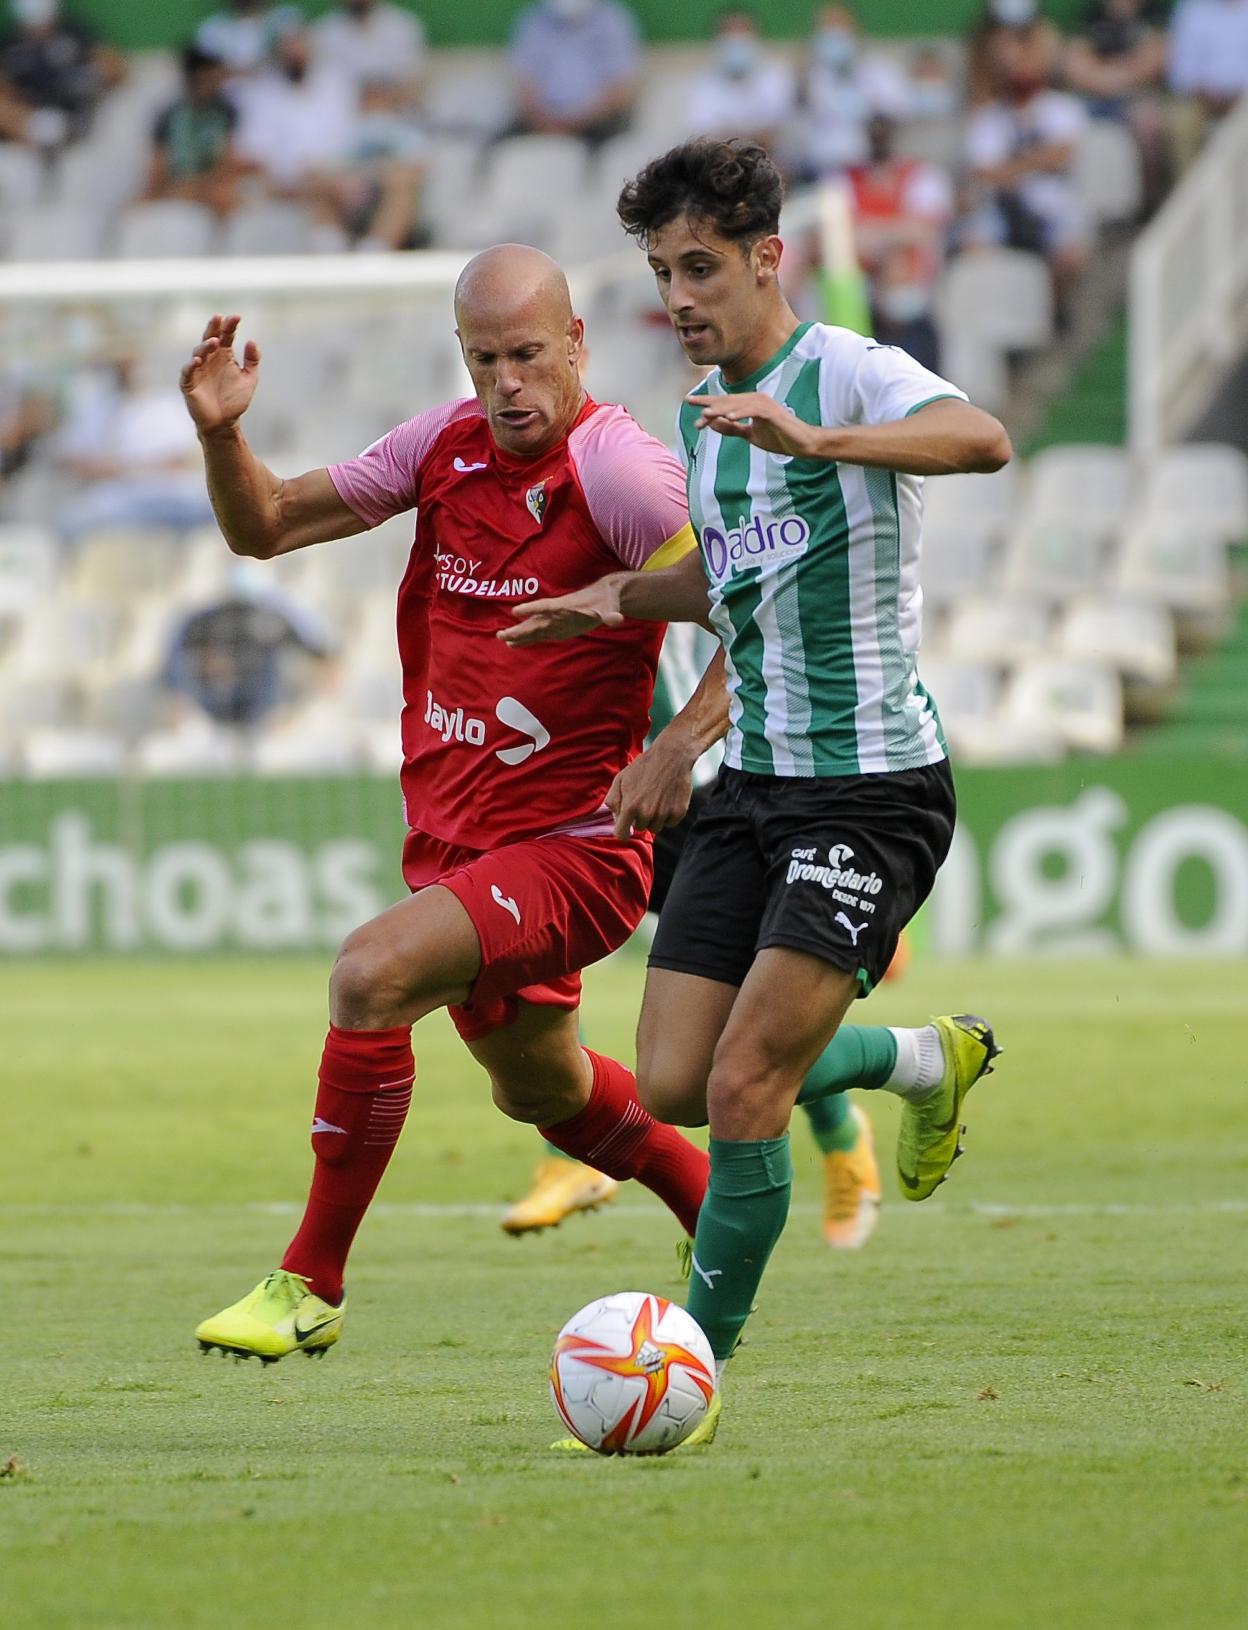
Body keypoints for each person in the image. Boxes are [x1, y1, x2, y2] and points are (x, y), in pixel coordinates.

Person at [502, 138, 1011, 1432]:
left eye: (702, 267)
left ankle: (686, 1374)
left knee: (744, 1091)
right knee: (676, 1077)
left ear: (768, 259)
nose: (679, 297)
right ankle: (917, 1057)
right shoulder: (701, 416)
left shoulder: (843, 368)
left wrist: (824, 434)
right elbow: (731, 583)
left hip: (871, 788)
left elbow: (983, 436)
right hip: (756, 785)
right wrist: (617, 596)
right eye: (663, 271)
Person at [187, 249, 723, 1366]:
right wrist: (223, 436)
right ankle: (714, 1213)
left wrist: (677, 743)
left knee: (369, 973)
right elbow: (268, 527)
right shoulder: (441, 448)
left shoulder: (620, 476)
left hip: (579, 848)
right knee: (549, 1093)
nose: (508, 383)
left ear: (577, 343)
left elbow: (752, 607)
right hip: (457, 842)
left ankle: (309, 1283)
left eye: (530, 355)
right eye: (485, 359)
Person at [504, 623, 885, 1251]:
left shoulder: (652, 524)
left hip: (682, 791)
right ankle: (568, 1156)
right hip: (577, 788)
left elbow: (751, 618)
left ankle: (843, 1135)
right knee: (530, 949)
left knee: (748, 1009)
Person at [962, 28, 1090, 306]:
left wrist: (1014, 165)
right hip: (1004, 207)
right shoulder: (988, 117)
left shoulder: (1062, 108)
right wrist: (1036, 160)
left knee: (1071, 252)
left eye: (1023, 61)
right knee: (972, 246)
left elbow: (1062, 155)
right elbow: (987, 173)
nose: (1018, 69)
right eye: (1011, 63)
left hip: (1053, 204)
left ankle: (1055, 307)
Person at [163, 562, 335, 729]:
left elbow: (318, 649)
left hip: (266, 715)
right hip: (214, 711)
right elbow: (175, 657)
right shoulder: (204, 619)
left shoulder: (278, 617)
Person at [795, 4, 912, 178]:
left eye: (839, 27)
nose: (833, 34)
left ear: (855, 31)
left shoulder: (882, 73)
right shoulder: (807, 78)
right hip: (817, 170)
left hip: (869, 172)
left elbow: (898, 114)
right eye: (827, 28)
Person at [509, 0, 641, 147]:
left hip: (597, 125)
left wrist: (574, 123)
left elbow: (622, 87)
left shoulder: (612, 20)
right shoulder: (534, 20)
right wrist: (546, 123)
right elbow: (523, 81)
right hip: (540, 124)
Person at [0, 0, 124, 151]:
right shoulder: (8, 44)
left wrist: (95, 74)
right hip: (30, 120)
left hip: (76, 113)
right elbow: (4, 90)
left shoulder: (75, 32)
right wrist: (24, 118)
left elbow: (114, 67)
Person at [142, 45, 243, 219]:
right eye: (211, 77)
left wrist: (201, 186)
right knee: (136, 208)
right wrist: (176, 187)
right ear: (196, 77)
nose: (217, 83)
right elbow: (157, 167)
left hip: (212, 187)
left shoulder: (226, 113)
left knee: (228, 199)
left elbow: (229, 162)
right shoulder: (169, 115)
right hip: (175, 186)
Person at [685, 7, 795, 155]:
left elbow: (778, 131)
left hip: (773, 160)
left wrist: (736, 138)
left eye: (743, 32)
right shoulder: (704, 84)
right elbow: (705, 136)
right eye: (729, 33)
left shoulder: (777, 77)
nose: (736, 39)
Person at [1167, 0, 1248, 167]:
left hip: (1244, 102)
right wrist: (1205, 92)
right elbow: (1180, 70)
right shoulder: (1193, 9)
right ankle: (1190, 191)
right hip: (1201, 100)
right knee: (1180, 125)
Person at [312, 0, 426, 107]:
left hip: (396, 112)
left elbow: (414, 82)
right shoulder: (324, 34)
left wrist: (383, 103)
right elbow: (322, 88)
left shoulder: (403, 28)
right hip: (344, 114)